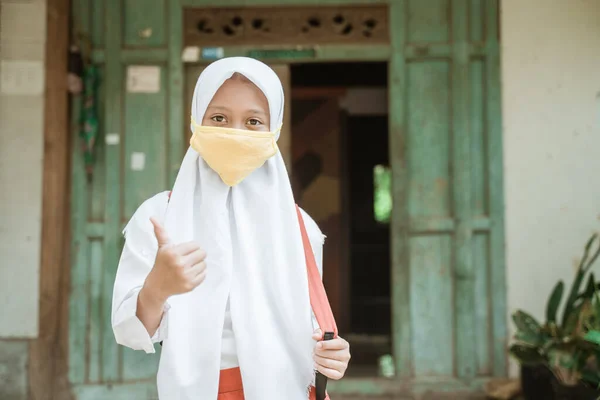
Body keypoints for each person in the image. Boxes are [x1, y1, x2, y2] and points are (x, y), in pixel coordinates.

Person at [111, 57, 351, 400]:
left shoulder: (300, 227)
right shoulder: (159, 216)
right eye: (219, 118)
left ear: (275, 129)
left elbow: (312, 335)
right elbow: (129, 332)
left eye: (253, 121)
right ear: (196, 120)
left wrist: (334, 356)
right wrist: (156, 288)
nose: (235, 132)